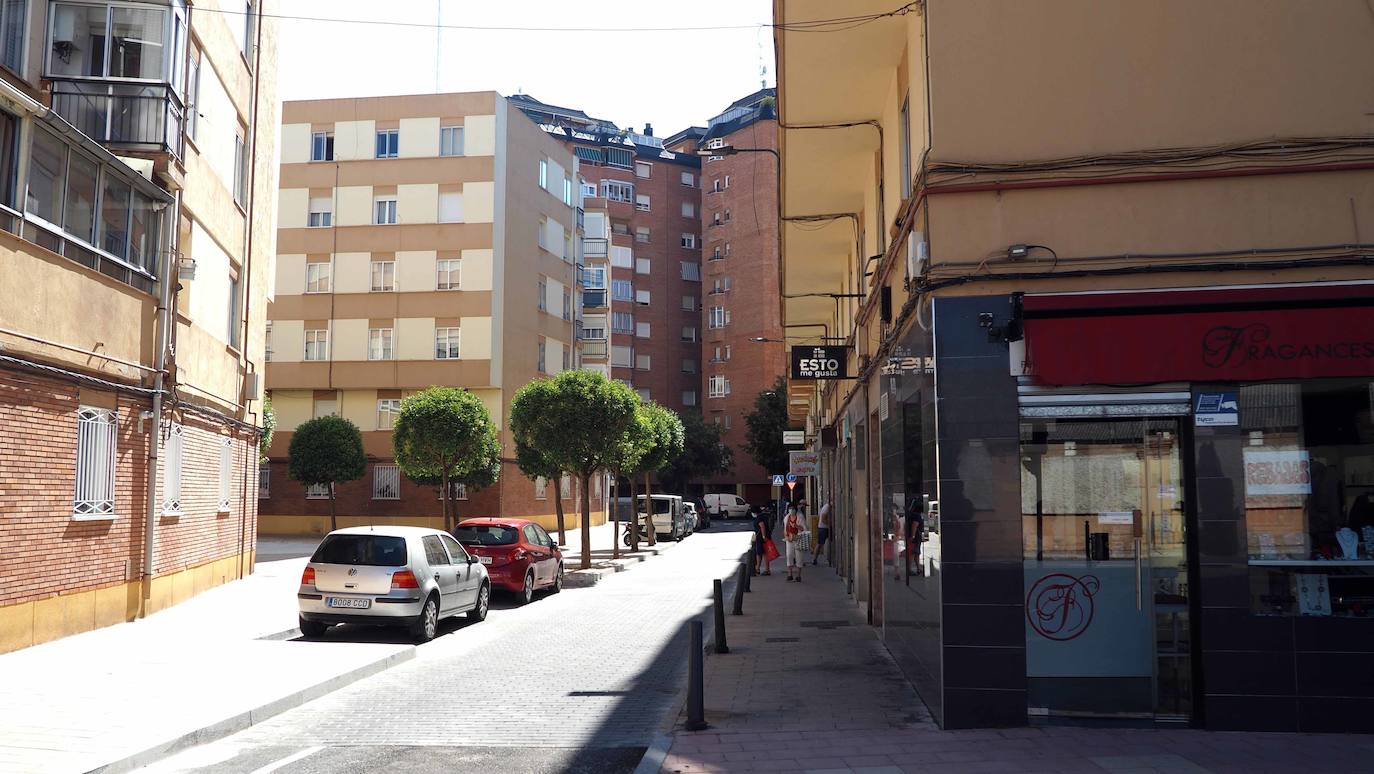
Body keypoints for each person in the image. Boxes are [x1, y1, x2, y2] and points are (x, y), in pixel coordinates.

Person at [783, 505, 806, 582]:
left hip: (798, 539)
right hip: (789, 539)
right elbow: (785, 528)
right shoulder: (786, 517)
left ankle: (799, 575)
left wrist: (796, 526)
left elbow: (804, 529)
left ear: (795, 510)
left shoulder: (800, 517)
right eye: (790, 508)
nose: (791, 510)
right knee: (789, 555)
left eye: (793, 509)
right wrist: (786, 536)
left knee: (799, 556)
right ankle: (790, 574)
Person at [751, 505, 772, 576]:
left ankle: (760, 569)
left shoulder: (759, 518)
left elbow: (762, 526)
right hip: (762, 537)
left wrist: (763, 536)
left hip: (761, 538)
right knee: (762, 553)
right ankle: (762, 569)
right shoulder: (762, 516)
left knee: (760, 553)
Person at [813, 500, 832, 565]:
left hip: (824, 528)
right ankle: (815, 559)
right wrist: (830, 525)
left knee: (821, 544)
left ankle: (815, 559)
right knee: (820, 544)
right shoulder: (826, 507)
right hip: (823, 528)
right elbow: (823, 519)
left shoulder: (827, 507)